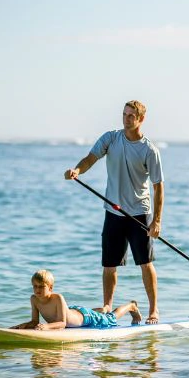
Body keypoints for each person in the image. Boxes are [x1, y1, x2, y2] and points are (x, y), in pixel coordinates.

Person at [64, 100, 164, 324]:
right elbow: (90, 158)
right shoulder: (111, 138)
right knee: (109, 265)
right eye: (124, 114)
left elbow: (158, 187)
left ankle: (154, 310)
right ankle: (108, 305)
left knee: (145, 264)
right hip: (113, 212)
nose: (126, 119)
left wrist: (156, 221)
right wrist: (77, 170)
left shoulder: (149, 150)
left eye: (131, 116)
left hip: (139, 213)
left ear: (141, 119)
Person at [11, 269, 142, 330]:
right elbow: (35, 321)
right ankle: (102, 309)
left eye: (41, 287)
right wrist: (22, 326)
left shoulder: (58, 298)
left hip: (85, 316)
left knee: (110, 318)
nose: (37, 290)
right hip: (73, 311)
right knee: (101, 313)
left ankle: (131, 306)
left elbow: (62, 324)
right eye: (35, 286)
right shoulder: (34, 299)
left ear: (50, 288)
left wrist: (46, 326)